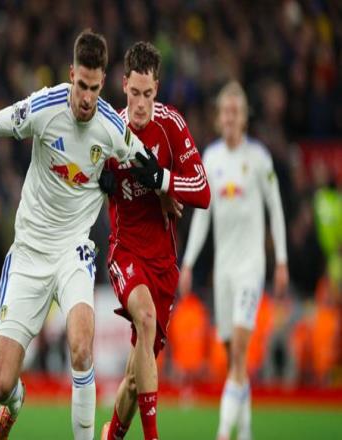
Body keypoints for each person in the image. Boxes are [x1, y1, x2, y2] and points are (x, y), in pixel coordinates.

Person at [0, 30, 170, 440]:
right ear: (71, 75)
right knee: (0, 384)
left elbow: (145, 163)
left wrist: (166, 192)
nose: (86, 98)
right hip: (30, 253)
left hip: (74, 251)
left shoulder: (111, 126)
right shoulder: (45, 107)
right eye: (81, 86)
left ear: (102, 83)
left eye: (94, 89)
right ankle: (15, 404)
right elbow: (0, 123)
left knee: (82, 347)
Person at [99, 42, 211, 440]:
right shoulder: (108, 128)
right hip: (125, 251)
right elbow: (79, 175)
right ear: (123, 85)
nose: (141, 103)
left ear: (156, 89)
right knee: (145, 319)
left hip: (163, 263)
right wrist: (98, 184)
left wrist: (163, 180)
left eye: (148, 94)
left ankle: (112, 435)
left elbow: (202, 190)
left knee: (135, 377)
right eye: (135, 93)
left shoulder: (171, 125)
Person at [179, 81, 289, 440]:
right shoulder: (210, 159)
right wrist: (188, 263)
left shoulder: (258, 158)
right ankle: (246, 430)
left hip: (250, 268)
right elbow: (202, 215)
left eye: (235, 111)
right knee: (233, 359)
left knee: (240, 349)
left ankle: (224, 431)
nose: (229, 117)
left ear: (244, 118)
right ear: (218, 117)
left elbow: (275, 209)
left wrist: (282, 260)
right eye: (224, 111)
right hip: (223, 271)